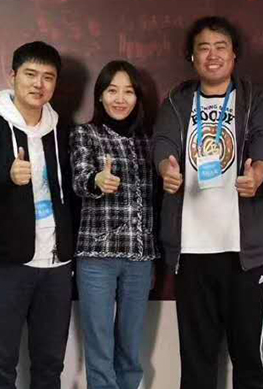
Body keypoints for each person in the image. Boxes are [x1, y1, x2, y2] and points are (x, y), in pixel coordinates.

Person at [151, 16, 263, 389]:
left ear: (234, 54)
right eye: (203, 48)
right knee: (196, 360)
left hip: (243, 250)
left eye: (220, 47)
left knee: (248, 359)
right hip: (191, 250)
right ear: (192, 57)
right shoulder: (177, 101)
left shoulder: (256, 98)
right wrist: (166, 169)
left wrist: (258, 172)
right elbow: (162, 142)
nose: (212, 55)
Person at [0, 41, 78, 389]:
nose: (38, 84)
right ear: (12, 76)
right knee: (2, 367)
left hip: (56, 263)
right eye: (30, 74)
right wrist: (7, 175)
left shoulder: (62, 129)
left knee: (50, 365)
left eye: (48, 77)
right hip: (5, 264)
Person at [70, 61, 159, 389]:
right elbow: (80, 179)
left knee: (131, 347)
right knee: (99, 346)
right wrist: (97, 180)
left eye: (128, 91)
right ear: (100, 96)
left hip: (141, 256)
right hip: (97, 256)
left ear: (137, 97)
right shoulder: (86, 134)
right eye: (112, 90)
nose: (120, 99)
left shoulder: (149, 140)